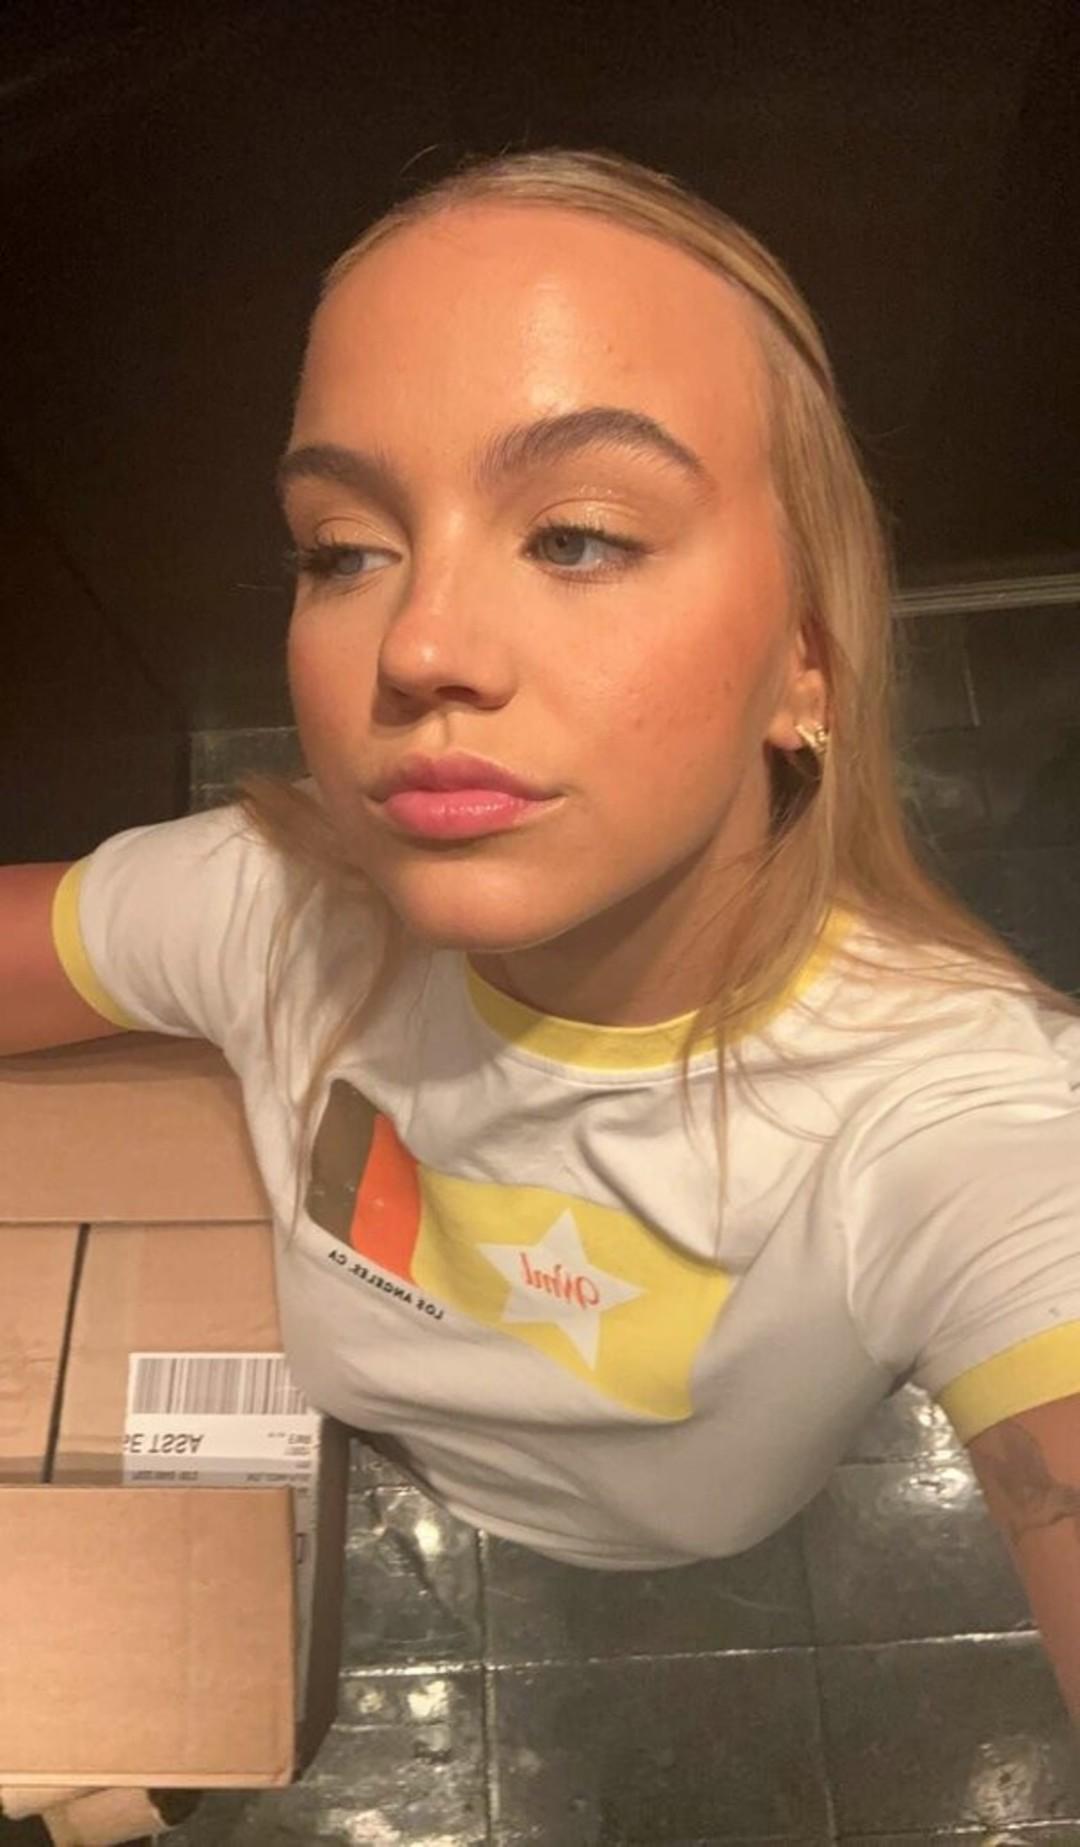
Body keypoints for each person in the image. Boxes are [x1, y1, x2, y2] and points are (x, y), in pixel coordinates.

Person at [7, 150, 1080, 1751]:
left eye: (576, 536)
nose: (419, 644)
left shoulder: (960, 1123)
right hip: (379, 1455)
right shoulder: (268, 904)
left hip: (685, 1543)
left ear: (807, 661)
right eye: (342, 548)